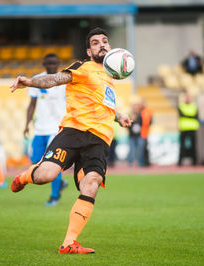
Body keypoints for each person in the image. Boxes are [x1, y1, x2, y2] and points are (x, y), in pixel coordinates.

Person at [10, 27, 132, 254]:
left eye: (105, 41)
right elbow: (55, 79)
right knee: (45, 175)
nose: (102, 44)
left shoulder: (110, 78)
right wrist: (29, 82)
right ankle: (26, 176)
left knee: (92, 183)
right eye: (96, 42)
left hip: (100, 141)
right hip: (73, 132)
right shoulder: (82, 67)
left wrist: (120, 116)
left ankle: (68, 243)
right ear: (89, 50)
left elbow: (104, 107)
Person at [24, 53, 68, 206]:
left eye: (54, 63)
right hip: (39, 129)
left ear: (58, 63)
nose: (51, 66)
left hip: (56, 129)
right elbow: (32, 104)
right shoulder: (37, 79)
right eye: (48, 63)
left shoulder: (64, 80)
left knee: (52, 163)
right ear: (44, 64)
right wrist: (26, 124)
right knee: (35, 161)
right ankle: (60, 183)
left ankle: (54, 196)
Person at [178, 94, 199, 166]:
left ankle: (194, 162)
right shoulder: (181, 106)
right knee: (182, 146)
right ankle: (180, 162)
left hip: (192, 128)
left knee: (193, 146)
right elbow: (181, 115)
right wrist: (191, 116)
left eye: (188, 98)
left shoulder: (194, 106)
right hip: (183, 128)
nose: (187, 99)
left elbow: (196, 116)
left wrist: (187, 116)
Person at [127, 102, 144, 167]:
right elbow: (128, 125)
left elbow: (142, 124)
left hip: (139, 135)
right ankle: (130, 163)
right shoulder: (130, 115)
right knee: (132, 150)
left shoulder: (140, 115)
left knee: (140, 150)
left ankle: (140, 163)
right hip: (132, 136)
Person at [140, 100, 153, 167]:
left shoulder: (147, 111)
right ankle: (144, 162)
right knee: (143, 149)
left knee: (145, 148)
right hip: (142, 133)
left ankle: (146, 162)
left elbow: (150, 121)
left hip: (145, 133)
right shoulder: (141, 111)